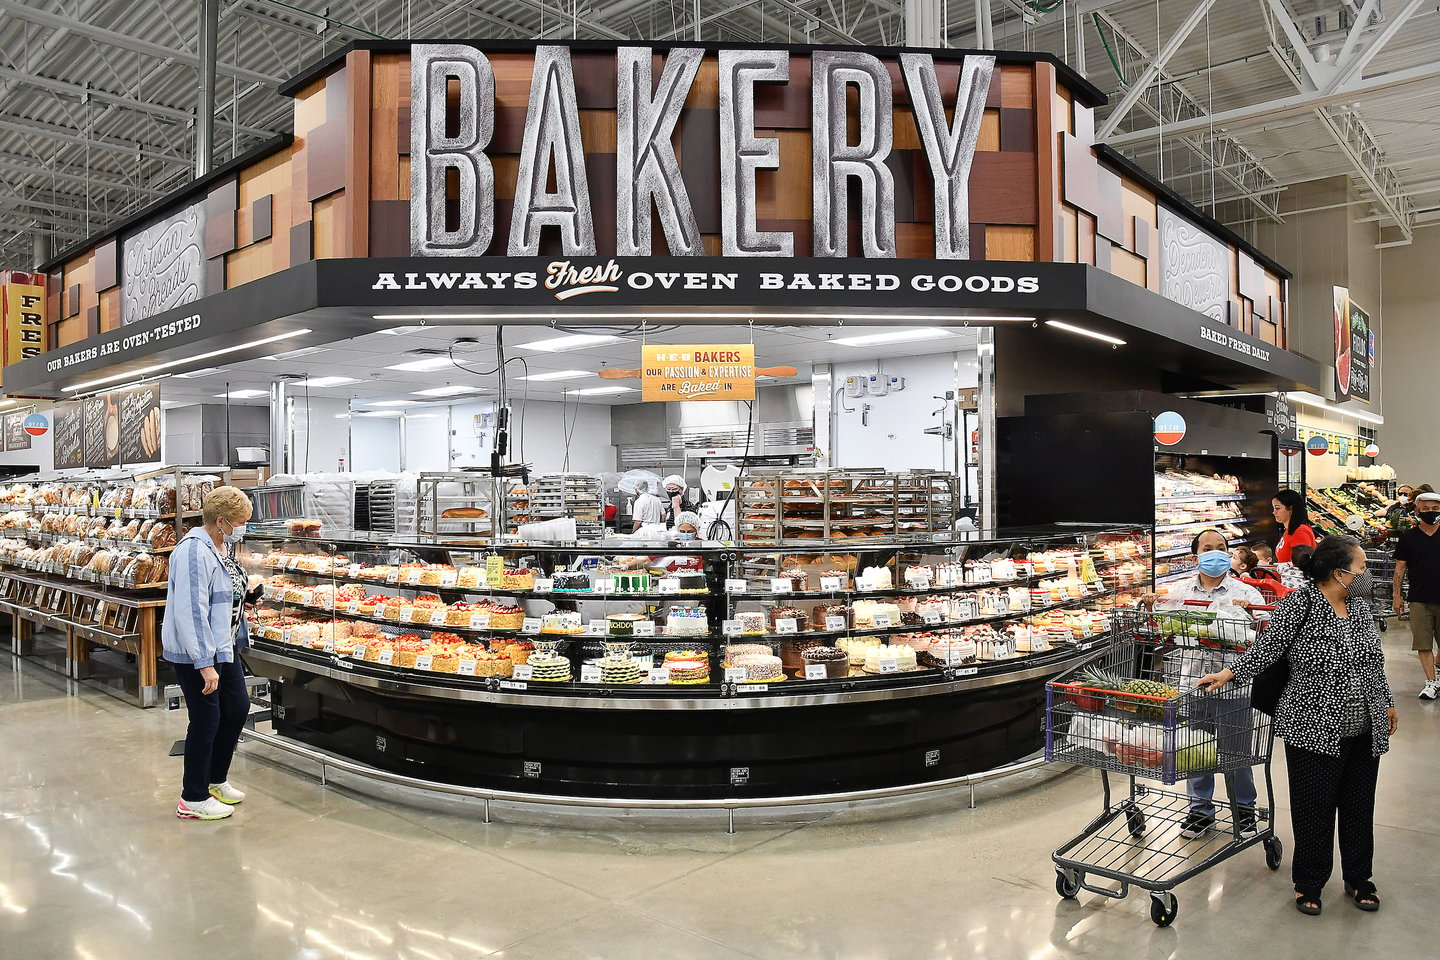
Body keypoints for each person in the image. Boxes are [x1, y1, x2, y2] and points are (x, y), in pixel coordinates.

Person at [1200, 536, 1398, 916]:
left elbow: (1375, 660)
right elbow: (1267, 651)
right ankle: (1309, 881)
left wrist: (1386, 702)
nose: (1366, 576)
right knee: (1313, 807)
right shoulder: (1300, 605)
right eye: (1360, 569)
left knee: (1359, 805)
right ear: (1339, 573)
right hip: (1312, 724)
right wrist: (1229, 673)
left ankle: (1359, 877)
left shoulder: (1359, 607)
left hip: (1364, 724)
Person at [1146, 529, 1264, 839]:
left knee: (1236, 755)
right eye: (1208, 548)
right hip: (1192, 684)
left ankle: (1244, 810)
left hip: (1234, 686)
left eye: (1221, 547)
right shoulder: (1178, 592)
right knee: (1194, 751)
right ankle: (1200, 811)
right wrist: (1151, 607)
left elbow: (1266, 639)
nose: (1216, 553)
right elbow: (1162, 633)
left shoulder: (1247, 593)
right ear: (1196, 556)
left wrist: (1253, 617)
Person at [163, 486, 257, 821]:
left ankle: (216, 780)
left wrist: (245, 600)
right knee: (206, 719)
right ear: (221, 521)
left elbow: (222, 593)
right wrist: (204, 664)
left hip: (223, 645)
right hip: (196, 653)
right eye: (240, 522)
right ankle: (193, 797)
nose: (243, 527)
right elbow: (190, 611)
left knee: (237, 709)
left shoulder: (220, 546)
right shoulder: (192, 551)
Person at [1395, 491, 1440, 699]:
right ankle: (1431, 682)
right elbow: (1400, 569)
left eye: (1435, 509)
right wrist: (1397, 595)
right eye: (1426, 509)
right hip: (1419, 598)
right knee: (1423, 643)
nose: (1430, 513)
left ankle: (1437, 673)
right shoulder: (1409, 538)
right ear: (1417, 511)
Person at [1272, 489, 1317, 563]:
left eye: (1277, 508)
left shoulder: (1300, 532)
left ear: (1291, 508)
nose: (1274, 512)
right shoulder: (1290, 529)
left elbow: (1303, 563)